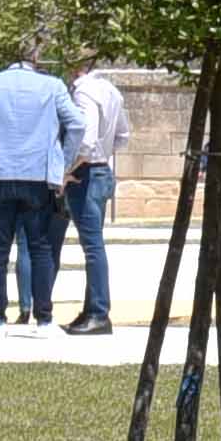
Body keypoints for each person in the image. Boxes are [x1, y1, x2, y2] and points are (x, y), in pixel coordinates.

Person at [0, 41, 81, 330]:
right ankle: (44, 318)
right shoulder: (53, 86)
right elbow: (77, 124)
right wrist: (62, 164)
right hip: (37, 175)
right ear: (36, 58)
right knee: (40, 247)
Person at [65, 62, 130, 335]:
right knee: (93, 244)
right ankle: (91, 308)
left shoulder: (83, 92)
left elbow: (86, 140)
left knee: (92, 246)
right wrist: (103, 154)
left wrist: (66, 170)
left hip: (86, 174)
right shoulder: (110, 89)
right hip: (102, 170)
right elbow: (123, 136)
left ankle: (99, 312)